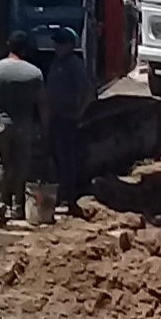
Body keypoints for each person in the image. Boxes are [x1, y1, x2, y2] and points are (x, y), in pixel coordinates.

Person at [0, 31, 46, 225]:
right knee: (21, 167)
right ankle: (18, 207)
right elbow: (42, 103)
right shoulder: (35, 74)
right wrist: (45, 127)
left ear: (8, 46)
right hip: (23, 126)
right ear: (26, 49)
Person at [44, 26, 95, 216]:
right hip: (56, 118)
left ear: (69, 45)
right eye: (56, 43)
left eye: (60, 43)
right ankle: (60, 193)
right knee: (57, 158)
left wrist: (79, 113)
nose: (56, 46)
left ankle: (69, 196)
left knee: (67, 160)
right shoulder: (56, 63)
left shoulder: (74, 65)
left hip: (68, 119)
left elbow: (86, 91)